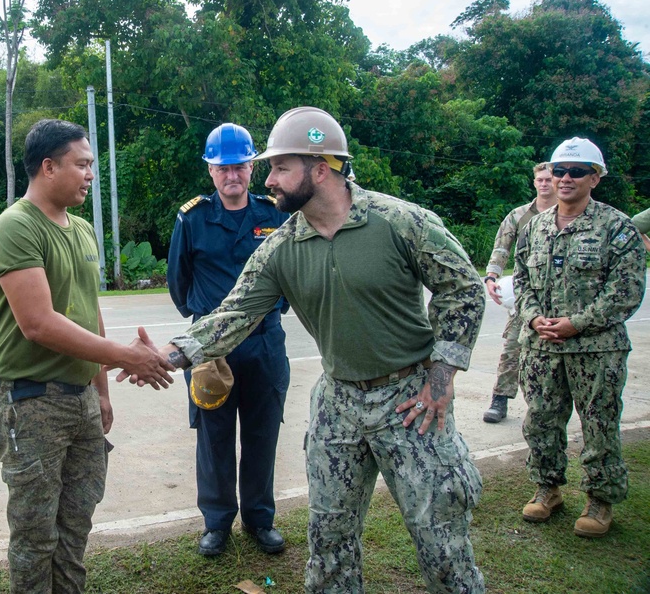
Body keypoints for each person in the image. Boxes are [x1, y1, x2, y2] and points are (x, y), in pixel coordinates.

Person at [127, 107, 486, 593]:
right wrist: (162, 357)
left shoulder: (400, 222)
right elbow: (231, 315)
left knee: (441, 542)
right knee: (329, 539)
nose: (267, 178)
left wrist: (441, 376)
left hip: (410, 403)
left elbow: (462, 288)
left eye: (280, 167)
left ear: (321, 169)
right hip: (337, 403)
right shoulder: (282, 246)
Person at [0, 118, 174, 593]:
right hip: (31, 404)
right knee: (35, 533)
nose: (91, 174)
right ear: (48, 167)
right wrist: (127, 357)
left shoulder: (83, 230)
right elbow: (39, 322)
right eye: (82, 164)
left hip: (81, 400)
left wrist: (103, 390)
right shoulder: (15, 228)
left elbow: (89, 314)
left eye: (91, 165)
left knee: (75, 524)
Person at [167, 123, 291, 556]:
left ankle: (260, 520)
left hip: (264, 343)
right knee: (214, 437)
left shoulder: (274, 214)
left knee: (262, 434)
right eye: (223, 168)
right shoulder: (193, 217)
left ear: (252, 169)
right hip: (211, 348)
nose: (231, 175)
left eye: (239, 166)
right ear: (211, 171)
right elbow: (178, 283)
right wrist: (205, 321)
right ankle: (217, 523)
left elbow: (291, 273)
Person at [514, 137, 646, 538]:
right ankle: (547, 489)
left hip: (596, 348)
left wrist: (579, 322)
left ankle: (600, 500)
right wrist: (534, 317)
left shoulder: (616, 227)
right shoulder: (534, 226)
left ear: (595, 178)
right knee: (540, 420)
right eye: (559, 171)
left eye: (577, 171)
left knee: (599, 423)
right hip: (541, 348)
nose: (565, 178)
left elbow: (626, 291)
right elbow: (521, 281)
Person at [481, 163, 557, 423]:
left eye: (549, 179)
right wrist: (491, 276)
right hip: (526, 293)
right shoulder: (519, 215)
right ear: (534, 182)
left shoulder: (569, 213)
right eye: (540, 180)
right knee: (513, 347)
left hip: (561, 295)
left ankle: (549, 406)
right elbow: (501, 248)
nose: (544, 184)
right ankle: (499, 400)